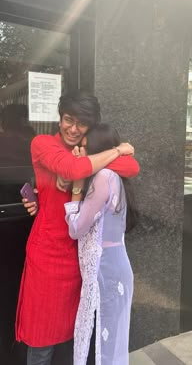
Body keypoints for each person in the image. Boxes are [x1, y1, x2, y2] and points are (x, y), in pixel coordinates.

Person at [16, 91, 139, 365]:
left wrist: (84, 162)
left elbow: (132, 167)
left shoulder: (89, 151)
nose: (73, 128)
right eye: (68, 120)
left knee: (77, 336)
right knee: (42, 337)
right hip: (47, 256)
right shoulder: (43, 143)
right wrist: (116, 150)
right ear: (59, 119)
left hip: (81, 257)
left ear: (90, 125)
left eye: (81, 123)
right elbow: (71, 169)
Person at [64, 123, 136, 365]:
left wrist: (76, 188)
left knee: (100, 348)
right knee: (109, 343)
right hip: (112, 268)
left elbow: (76, 228)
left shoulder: (104, 177)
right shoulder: (113, 176)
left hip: (105, 273)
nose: (78, 152)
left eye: (83, 148)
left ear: (96, 149)